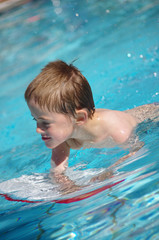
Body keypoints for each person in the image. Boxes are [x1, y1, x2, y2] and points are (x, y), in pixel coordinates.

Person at [24, 60, 159, 193]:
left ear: (79, 118)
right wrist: (69, 187)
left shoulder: (115, 128)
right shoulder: (63, 137)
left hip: (151, 121)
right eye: (35, 119)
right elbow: (56, 171)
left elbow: (138, 150)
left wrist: (109, 171)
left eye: (45, 123)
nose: (38, 129)